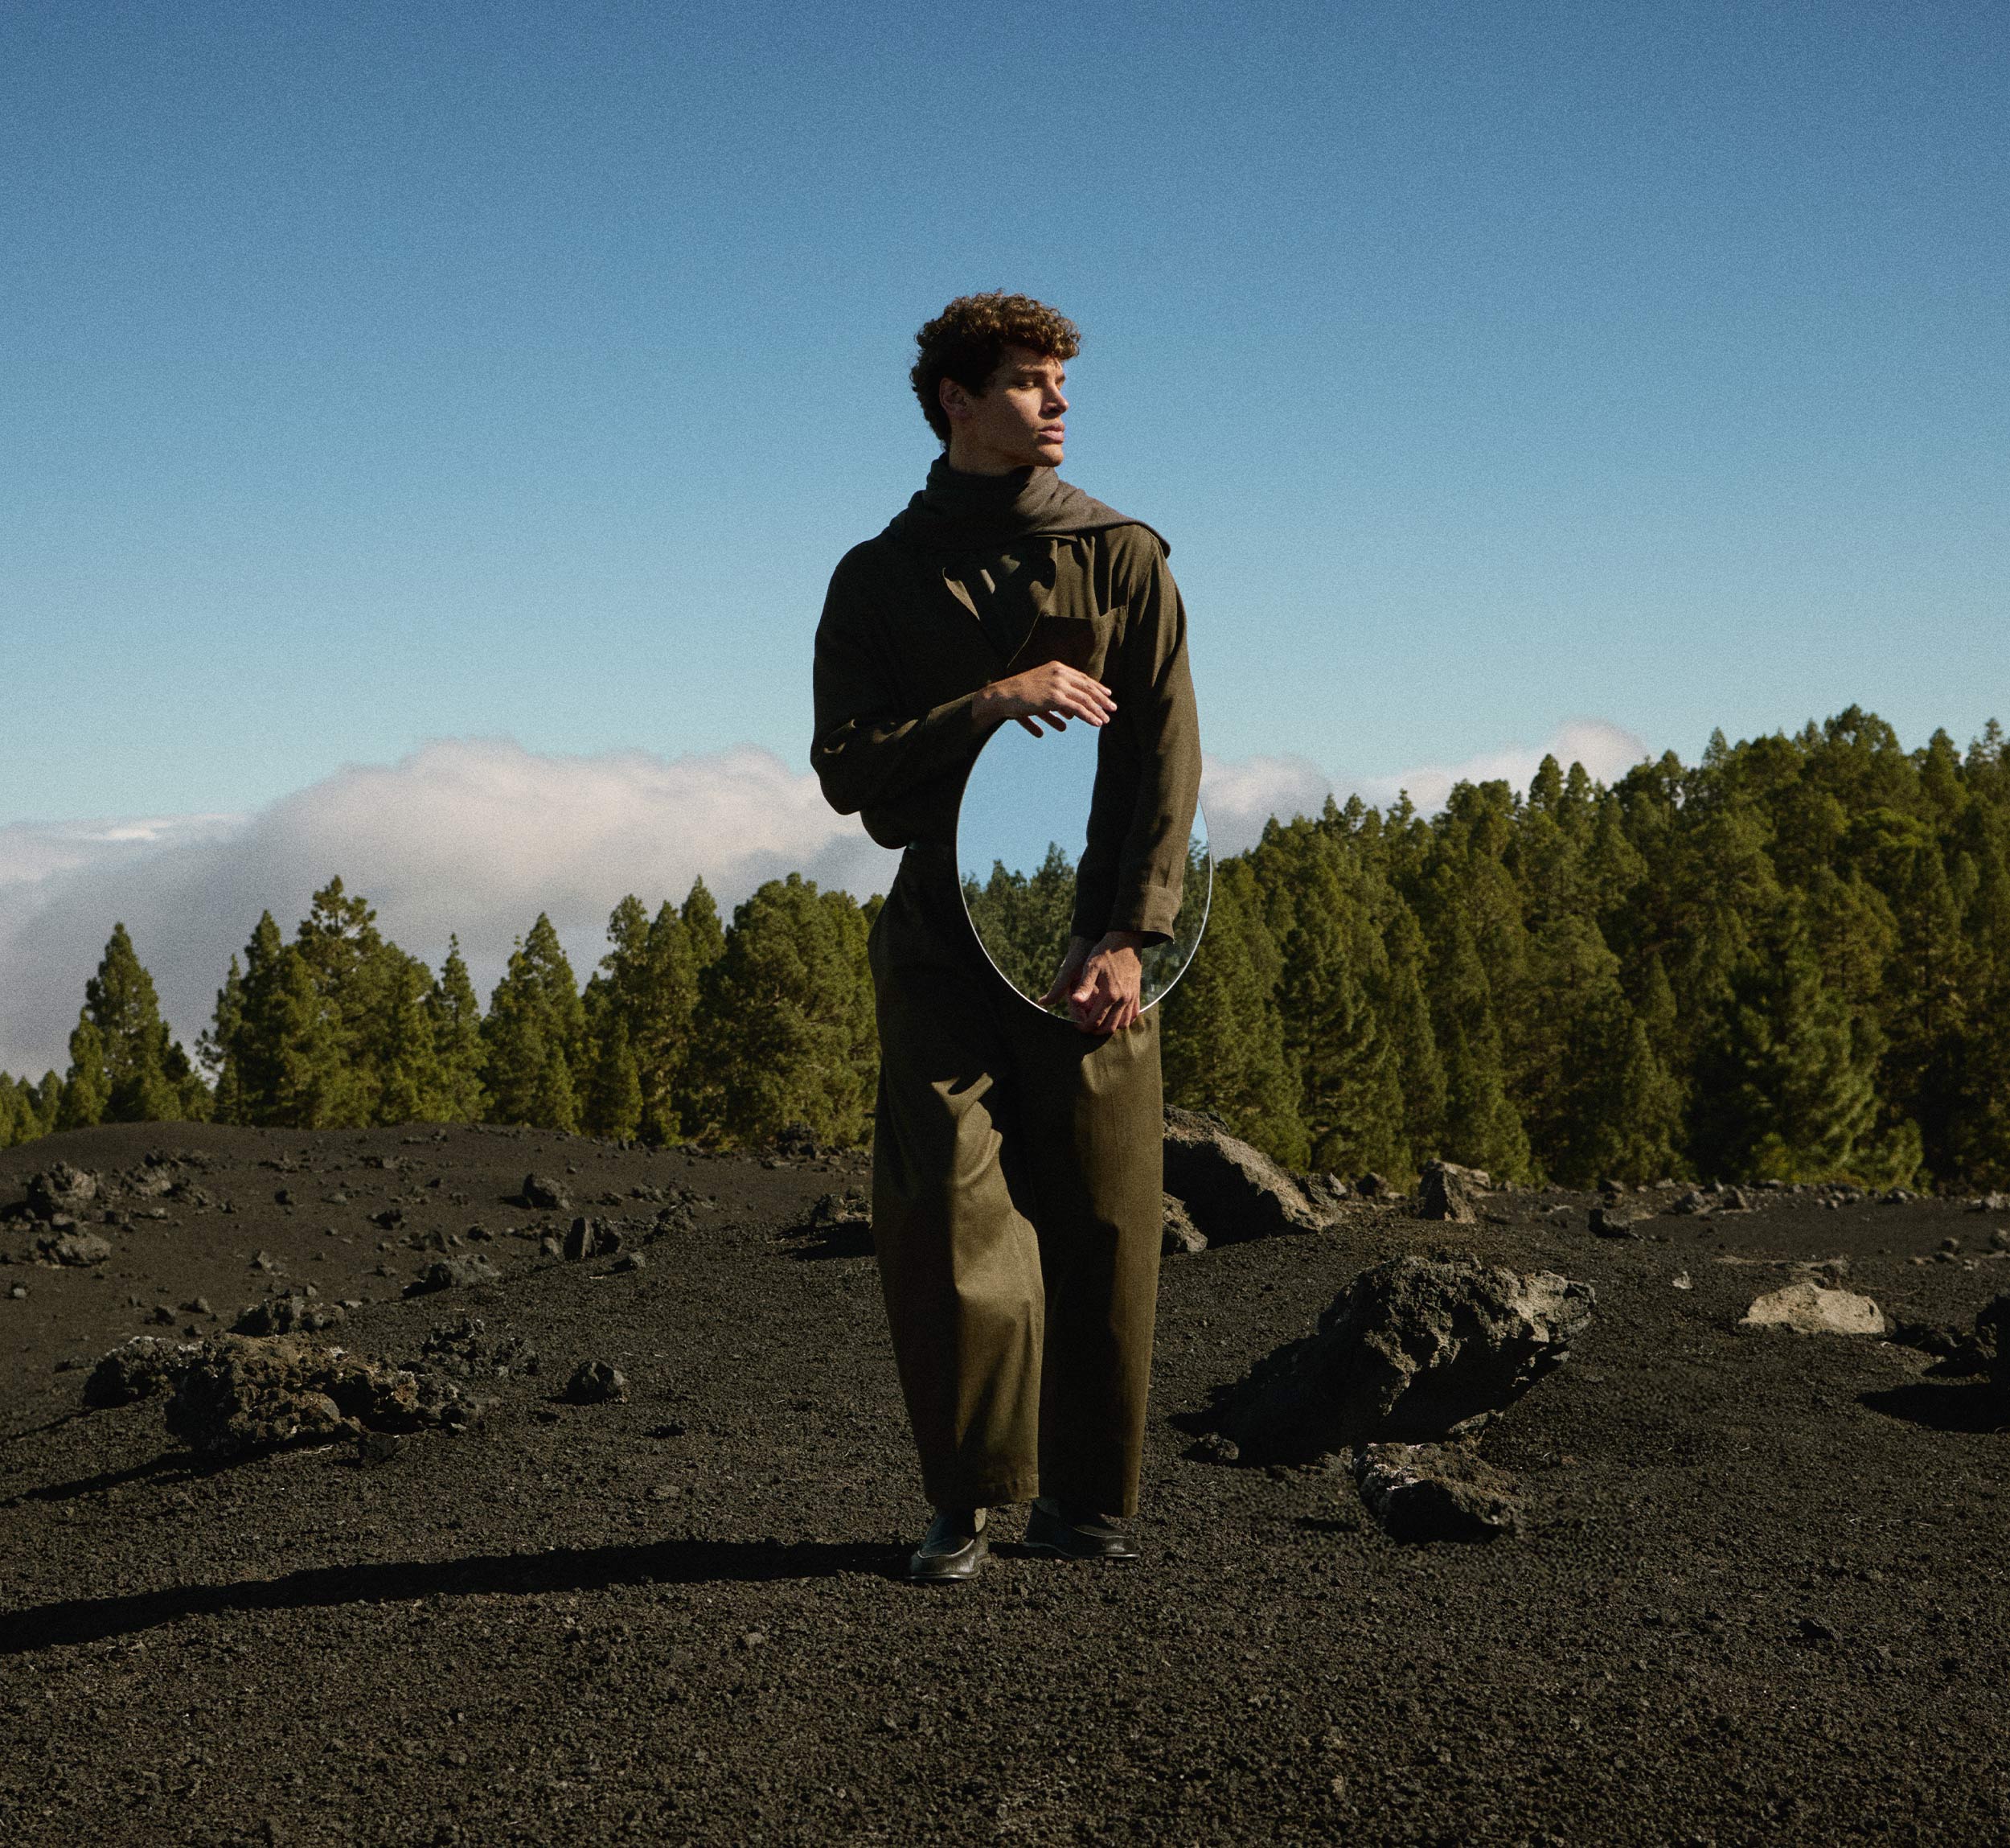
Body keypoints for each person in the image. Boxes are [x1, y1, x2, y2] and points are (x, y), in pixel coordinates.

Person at [811, 292, 1201, 1583]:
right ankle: (968, 1499)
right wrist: (990, 702)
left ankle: (1090, 1501)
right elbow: (850, 773)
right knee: (949, 1215)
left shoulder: (1123, 557)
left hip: (1089, 938)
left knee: (1102, 1213)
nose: (1059, 401)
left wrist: (1132, 935)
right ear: (956, 402)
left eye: (1062, 381)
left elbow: (1164, 761)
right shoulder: (875, 578)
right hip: (936, 934)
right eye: (1031, 382)